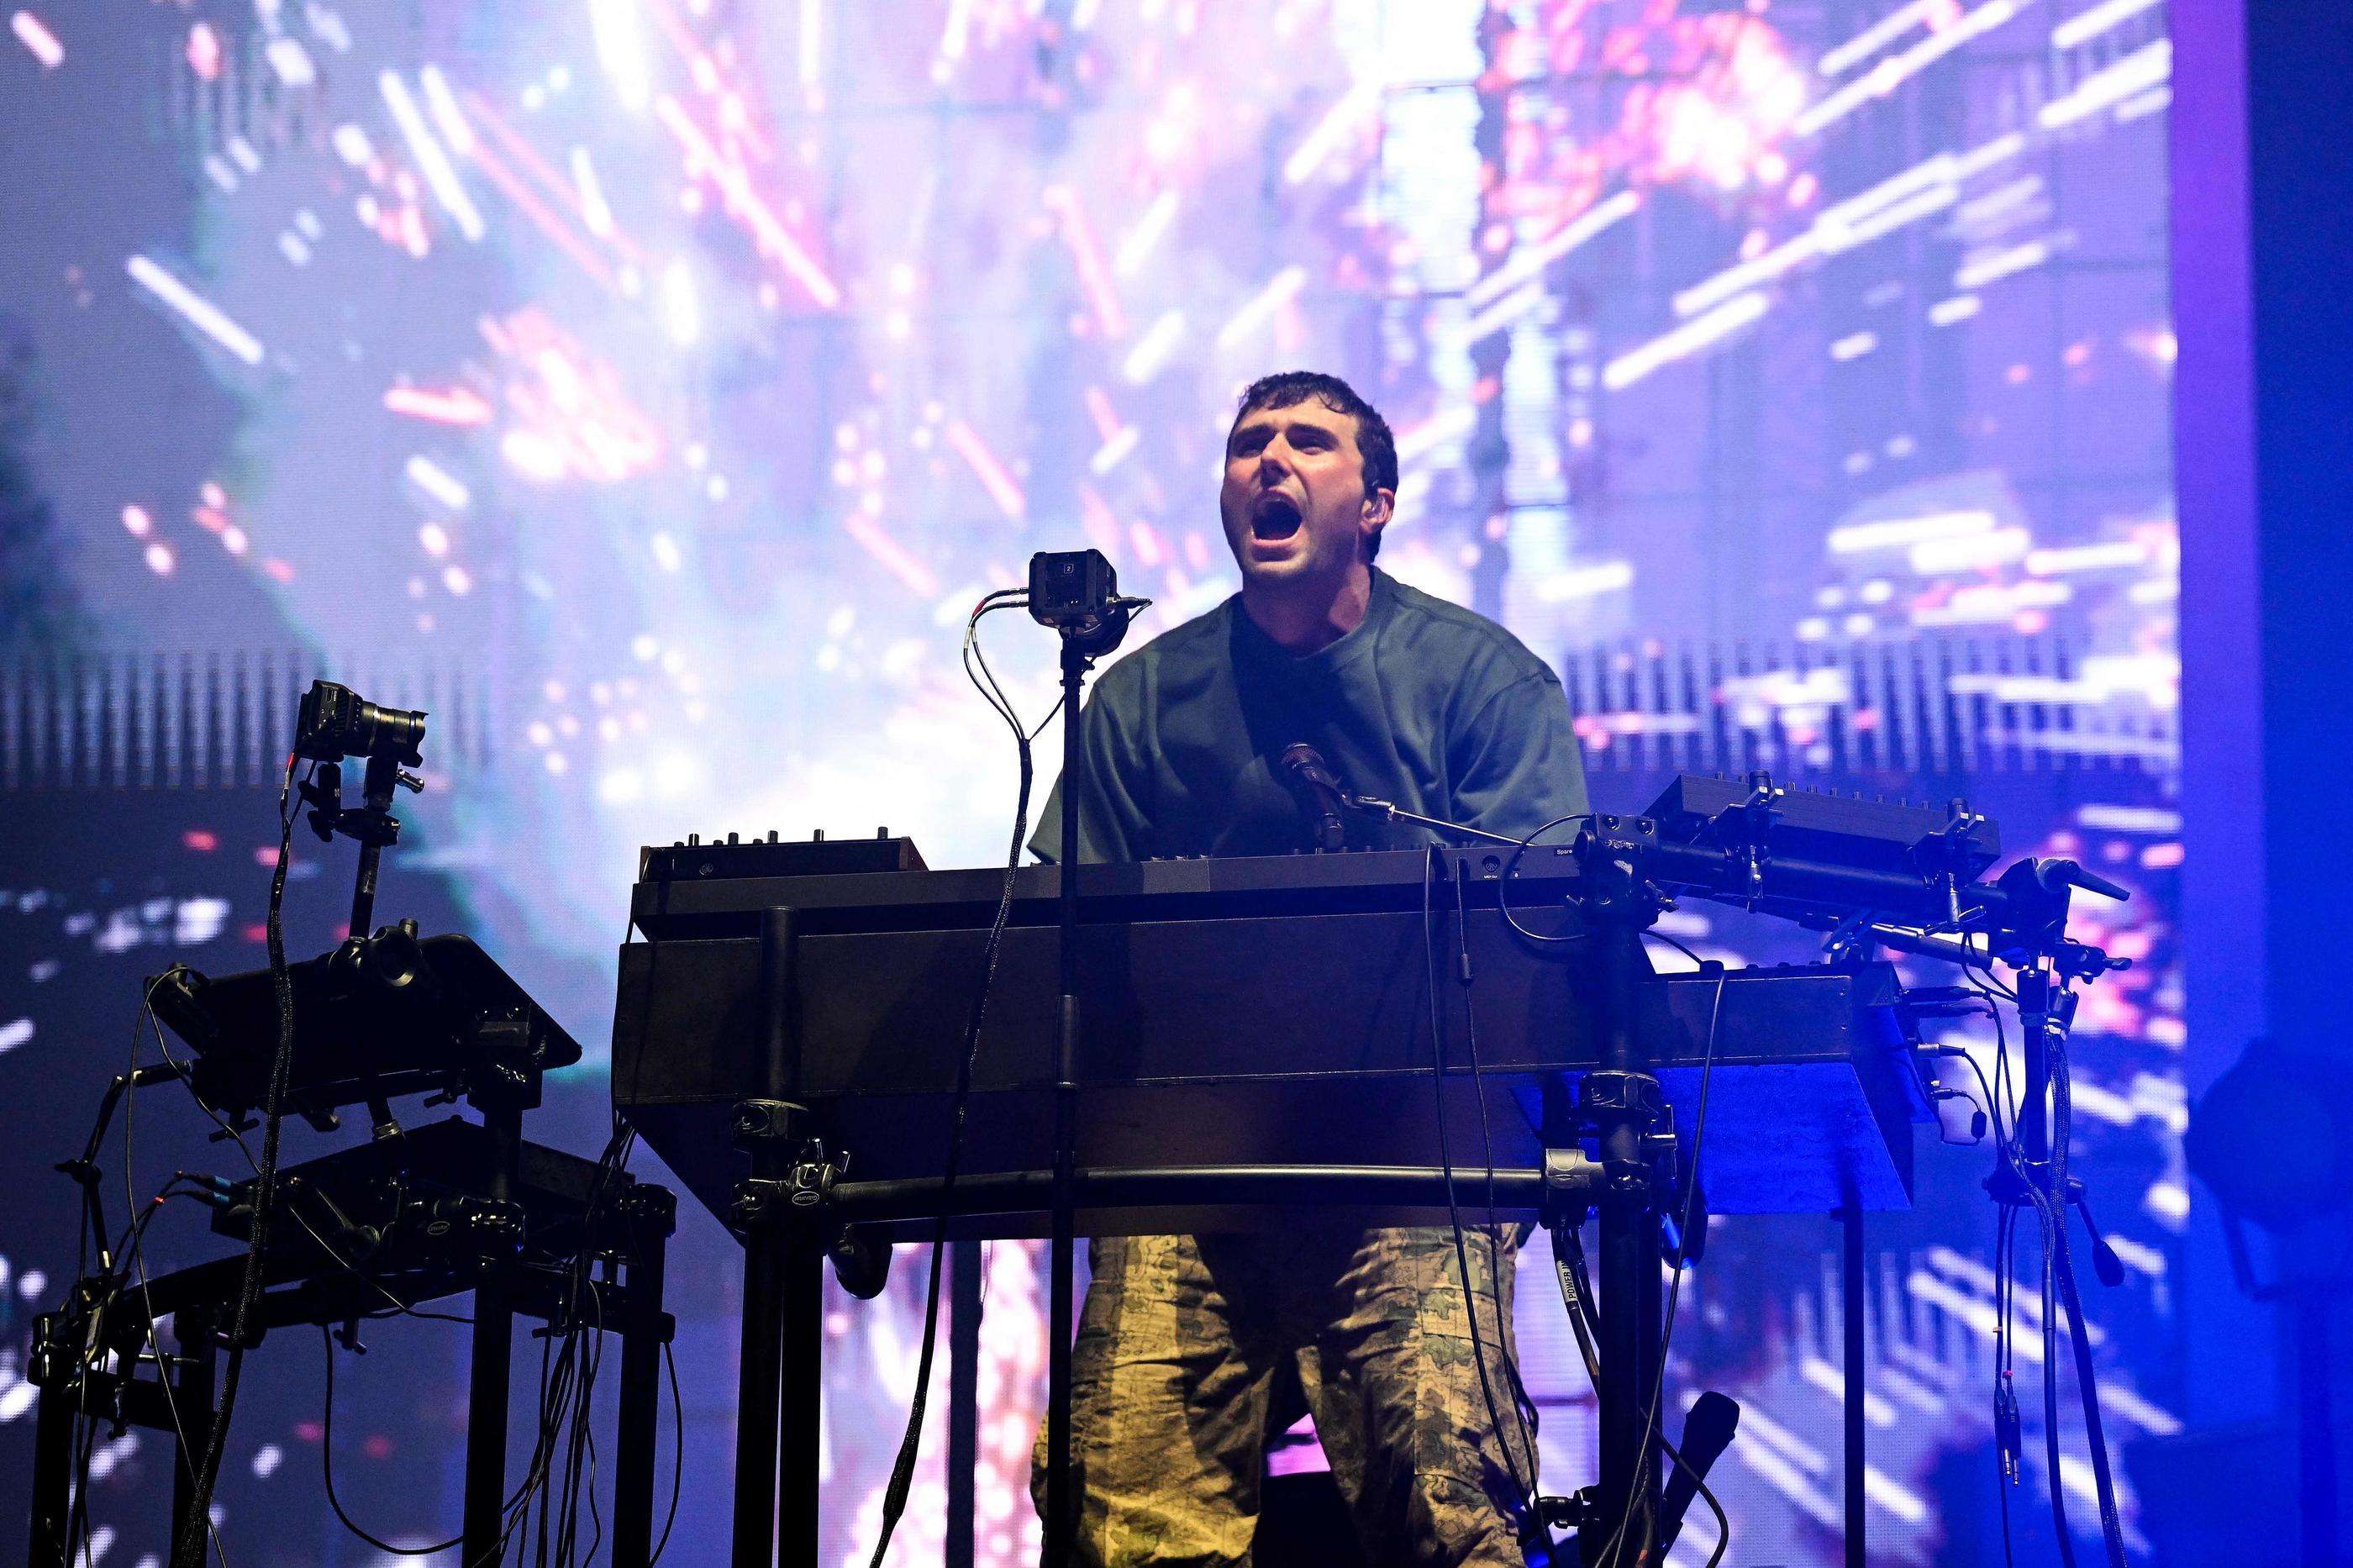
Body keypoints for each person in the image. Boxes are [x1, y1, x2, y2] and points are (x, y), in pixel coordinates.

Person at [1028, 371, 1592, 1567]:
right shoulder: (1136, 700)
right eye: (1247, 445)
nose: (1268, 462)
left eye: (1307, 441)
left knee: (1452, 1501)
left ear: (1375, 500)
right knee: (1127, 1516)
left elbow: (1542, 931)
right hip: (1187, 1181)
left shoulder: (1485, 683)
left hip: (1414, 1163)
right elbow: (1062, 944)